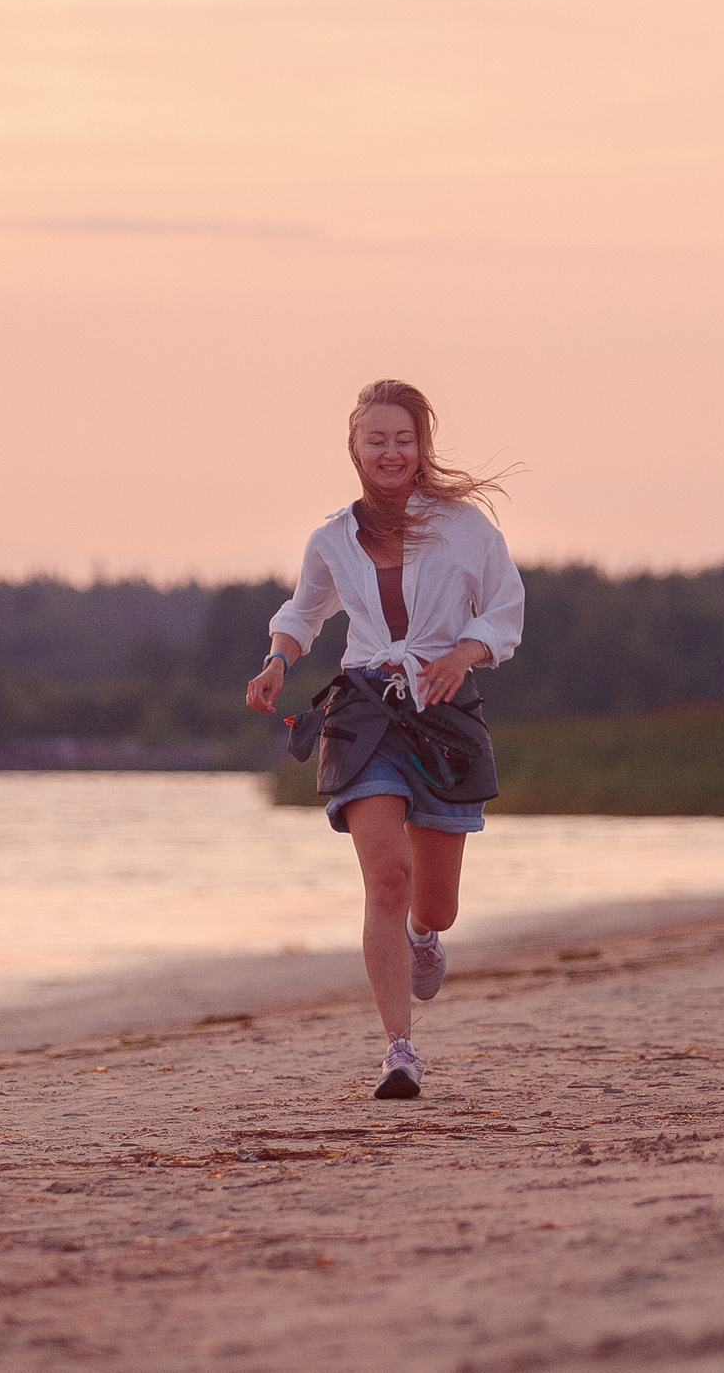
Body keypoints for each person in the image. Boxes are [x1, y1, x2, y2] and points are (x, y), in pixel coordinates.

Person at [247, 380, 525, 1101]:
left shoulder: (465, 528)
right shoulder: (331, 538)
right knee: (387, 877)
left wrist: (464, 653)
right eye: (377, 440)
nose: (391, 452)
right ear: (354, 449)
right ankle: (399, 1051)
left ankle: (425, 939)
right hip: (365, 710)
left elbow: (505, 609)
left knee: (434, 905)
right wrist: (277, 661)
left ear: (422, 446)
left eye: (404, 439)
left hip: (444, 710)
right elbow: (303, 613)